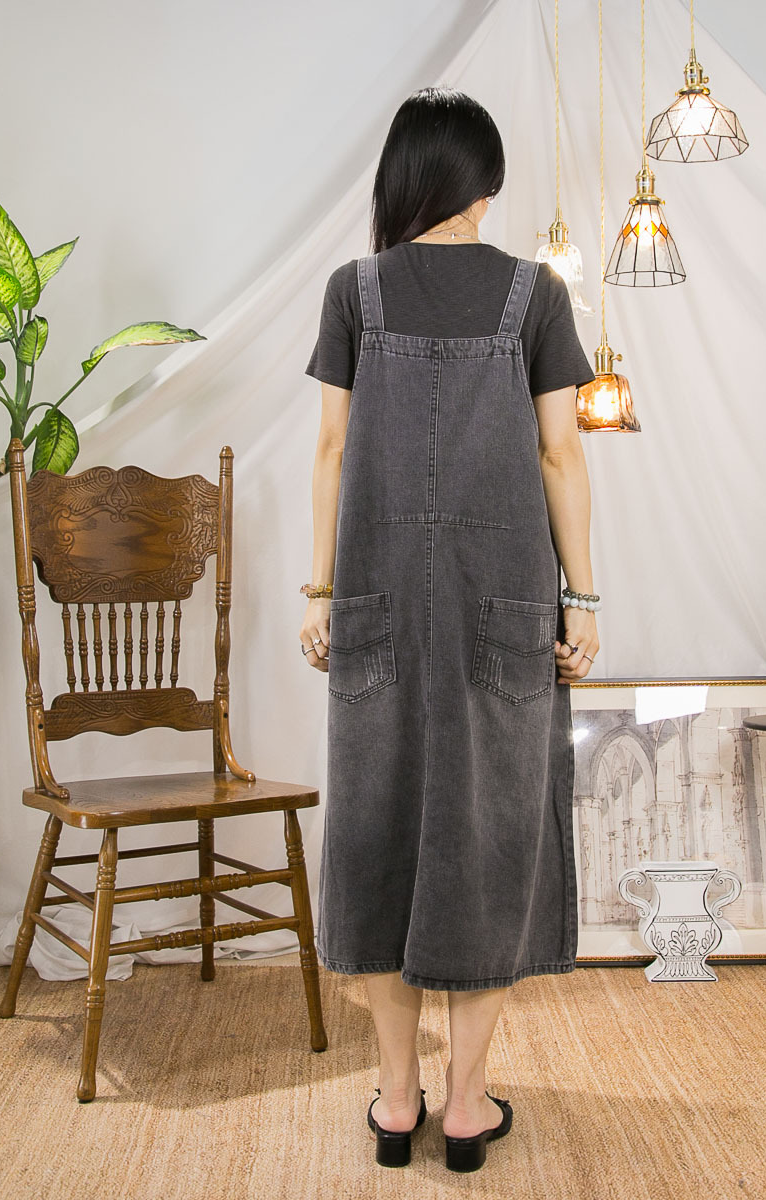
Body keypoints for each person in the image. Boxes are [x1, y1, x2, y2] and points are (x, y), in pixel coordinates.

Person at [300, 85, 599, 1173]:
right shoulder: (535, 296)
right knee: (491, 838)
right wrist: (585, 599)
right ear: (482, 183)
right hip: (504, 606)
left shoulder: (354, 290)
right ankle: (466, 1107)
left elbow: (332, 451)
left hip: (374, 600)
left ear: (404, 177)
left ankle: (396, 1100)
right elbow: (561, 453)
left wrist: (320, 592)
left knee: (377, 833)